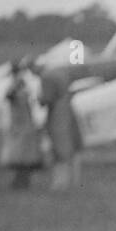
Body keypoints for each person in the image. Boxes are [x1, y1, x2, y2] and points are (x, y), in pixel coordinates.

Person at [36, 62, 84, 191]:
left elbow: (45, 99)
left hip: (59, 117)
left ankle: (61, 182)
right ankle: (73, 180)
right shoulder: (59, 74)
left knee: (61, 150)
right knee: (71, 148)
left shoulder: (47, 77)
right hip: (66, 112)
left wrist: (39, 99)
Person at [0, 59, 43, 189]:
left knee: (24, 156)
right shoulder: (15, 87)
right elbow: (9, 95)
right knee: (22, 156)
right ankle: (20, 182)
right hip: (21, 126)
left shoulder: (20, 86)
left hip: (24, 125)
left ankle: (22, 181)